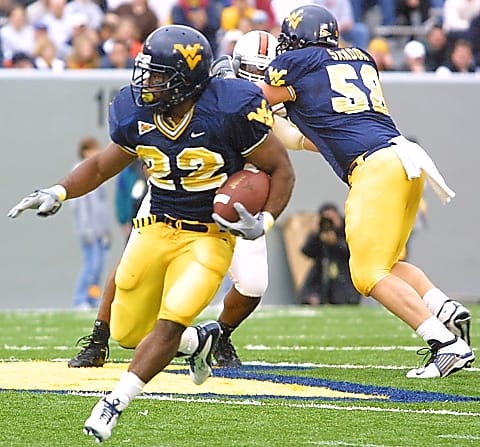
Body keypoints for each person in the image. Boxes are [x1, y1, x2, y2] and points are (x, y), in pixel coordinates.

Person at [8, 24, 294, 442]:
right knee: (127, 333)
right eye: (147, 71)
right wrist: (59, 190)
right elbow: (103, 165)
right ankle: (198, 342)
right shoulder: (136, 111)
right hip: (155, 226)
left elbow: (280, 169)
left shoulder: (229, 109)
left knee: (172, 318)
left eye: (160, 75)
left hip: (210, 237)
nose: (148, 82)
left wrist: (264, 221)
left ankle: (114, 402)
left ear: (190, 80)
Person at [217, 4, 474, 378]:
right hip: (406, 157)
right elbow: (307, 127)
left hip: (376, 167)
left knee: (367, 274)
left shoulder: (298, 64)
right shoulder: (360, 57)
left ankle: (444, 344)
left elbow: (254, 99)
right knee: (386, 264)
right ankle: (442, 307)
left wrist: (227, 83)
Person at [66, 29, 313, 370]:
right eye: (251, 70)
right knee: (130, 266)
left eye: (265, 73)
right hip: (171, 190)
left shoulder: (251, 102)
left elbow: (290, 143)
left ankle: (217, 336)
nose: (258, 79)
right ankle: (100, 336)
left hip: (230, 202)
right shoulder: (208, 92)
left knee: (254, 283)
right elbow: (105, 163)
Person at [70, 137, 111, 310]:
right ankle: (80, 298)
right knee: (90, 265)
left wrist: (105, 230)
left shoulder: (96, 173)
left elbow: (101, 206)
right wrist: (87, 230)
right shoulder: (80, 171)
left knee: (98, 267)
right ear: (84, 151)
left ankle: (92, 297)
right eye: (92, 150)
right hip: (89, 231)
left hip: (99, 230)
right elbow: (81, 207)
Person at [298, 202, 361, 305]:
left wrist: (336, 243)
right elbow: (307, 252)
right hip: (322, 272)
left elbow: (354, 252)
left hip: (344, 274)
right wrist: (315, 234)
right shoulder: (319, 234)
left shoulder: (348, 228)